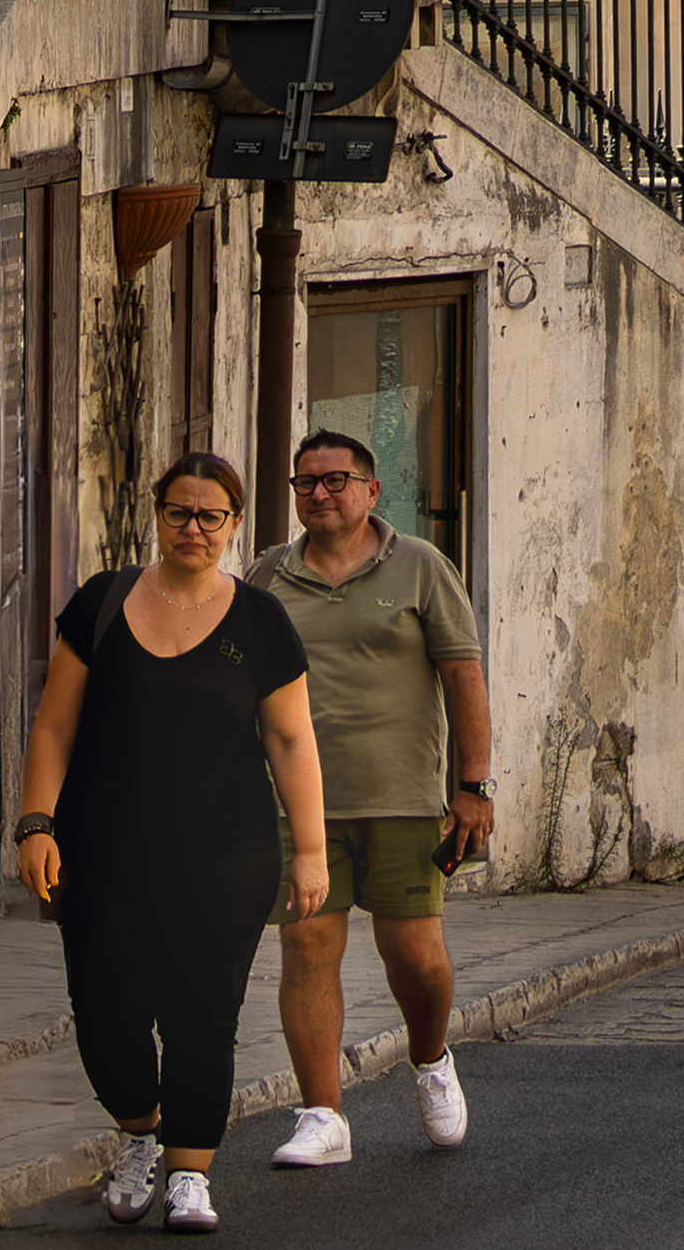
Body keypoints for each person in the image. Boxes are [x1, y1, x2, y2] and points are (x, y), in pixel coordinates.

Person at [15, 448, 330, 1234]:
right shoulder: (103, 602)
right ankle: (139, 1130)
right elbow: (55, 722)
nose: (193, 527)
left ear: (234, 524)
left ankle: (191, 1171)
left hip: (226, 856)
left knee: (203, 1012)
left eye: (211, 515)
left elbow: (292, 742)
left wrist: (312, 851)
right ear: (156, 514)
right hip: (101, 851)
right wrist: (35, 820)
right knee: (103, 1009)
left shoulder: (260, 621)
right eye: (178, 511)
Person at [259, 427, 491, 1170]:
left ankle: (430, 1059)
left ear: (370, 488)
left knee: (416, 955)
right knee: (306, 945)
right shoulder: (267, 577)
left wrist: (473, 785)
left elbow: (463, 676)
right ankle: (324, 1114)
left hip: (402, 798)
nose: (319, 493)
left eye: (335, 479)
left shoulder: (420, 566)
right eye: (305, 483)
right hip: (300, 808)